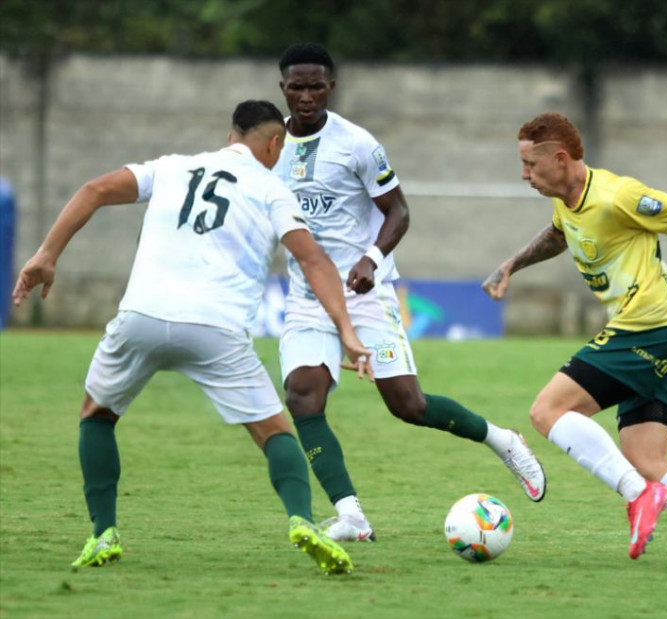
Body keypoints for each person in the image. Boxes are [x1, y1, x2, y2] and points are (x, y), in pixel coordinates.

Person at [12, 100, 374, 574]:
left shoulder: (173, 168)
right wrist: (346, 330)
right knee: (275, 433)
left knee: (96, 416)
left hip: (141, 316)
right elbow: (314, 260)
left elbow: (95, 189)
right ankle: (302, 521)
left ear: (230, 137)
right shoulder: (272, 189)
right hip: (215, 329)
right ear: (275, 144)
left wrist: (46, 255)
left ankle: (103, 533)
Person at [482, 112, 667, 571]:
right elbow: (559, 234)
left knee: (548, 412)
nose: (524, 174)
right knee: (646, 459)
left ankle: (639, 495)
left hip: (651, 326)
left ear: (561, 159)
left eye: (530, 165)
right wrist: (512, 264)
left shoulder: (617, 195)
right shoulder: (566, 198)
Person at [272, 43, 546, 542]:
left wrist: (370, 260)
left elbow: (399, 211)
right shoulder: (269, 148)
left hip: (365, 292)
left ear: (331, 88)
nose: (306, 96)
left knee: (408, 406)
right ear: (282, 88)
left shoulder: (357, 144)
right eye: (297, 86)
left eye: (316, 86)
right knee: (303, 398)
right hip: (307, 298)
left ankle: (501, 440)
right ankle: (351, 516)